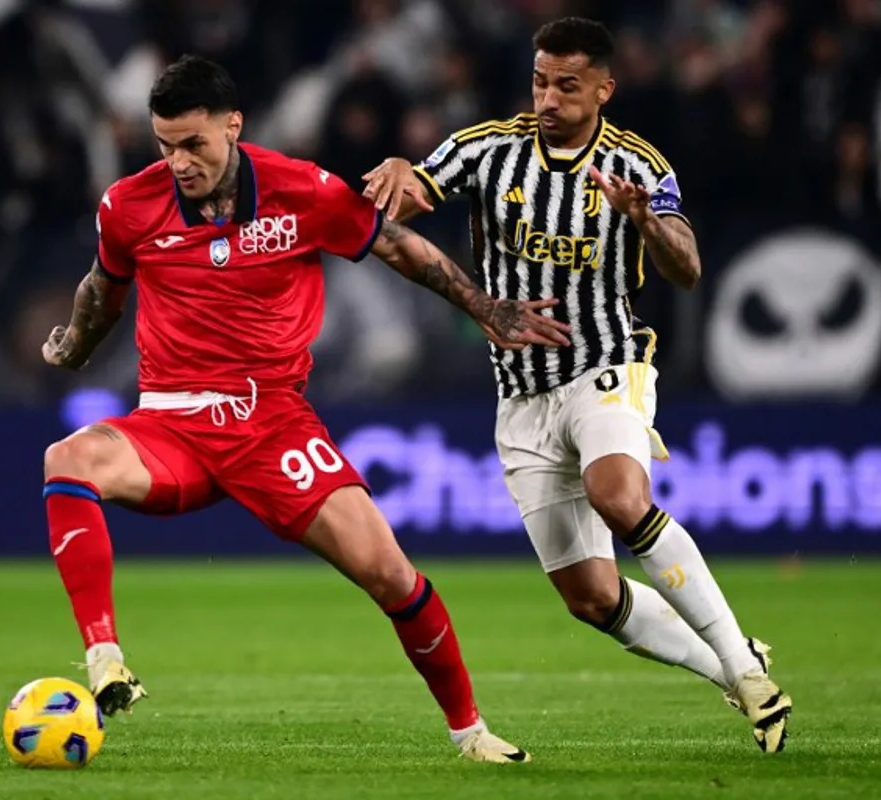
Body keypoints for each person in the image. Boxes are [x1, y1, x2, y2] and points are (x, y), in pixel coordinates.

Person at [40, 55, 571, 763]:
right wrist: (75, 345)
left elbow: (396, 246)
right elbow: (102, 287)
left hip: (271, 425)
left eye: (193, 144)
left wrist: (482, 307)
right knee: (67, 458)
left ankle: (471, 732)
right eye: (164, 146)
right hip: (169, 422)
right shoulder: (128, 205)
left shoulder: (302, 190)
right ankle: (104, 655)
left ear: (234, 125)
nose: (178, 163)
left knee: (390, 573)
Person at [362, 17, 793, 753]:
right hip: (522, 397)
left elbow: (686, 269)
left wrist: (644, 225)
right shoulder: (488, 148)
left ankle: (747, 678)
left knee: (619, 496)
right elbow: (401, 207)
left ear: (603, 88)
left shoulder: (637, 163)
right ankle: (734, 665)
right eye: (540, 82)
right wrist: (401, 172)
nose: (550, 99)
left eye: (567, 85)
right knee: (592, 598)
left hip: (606, 365)